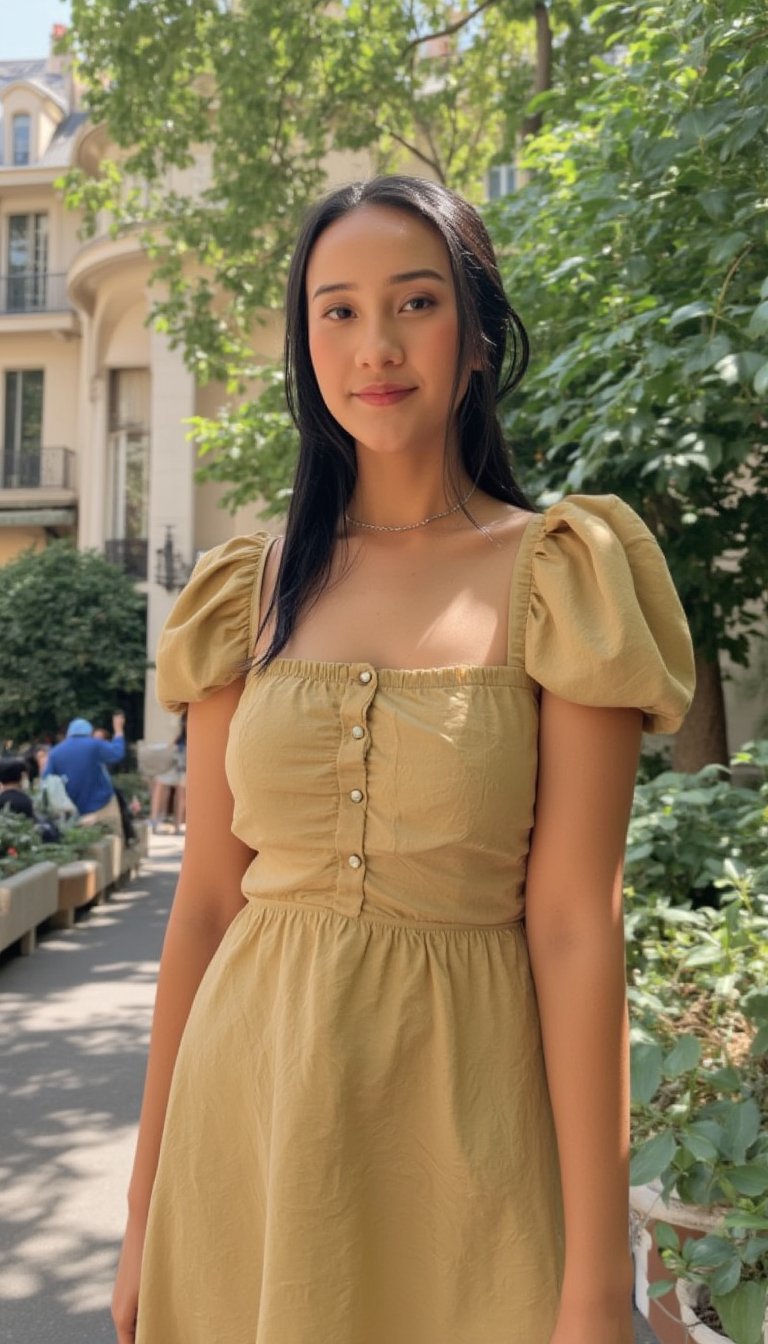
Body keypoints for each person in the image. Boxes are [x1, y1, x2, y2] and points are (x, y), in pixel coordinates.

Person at [114, 176, 696, 1344]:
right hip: (248, 1135)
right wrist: (143, 1211)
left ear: (477, 337)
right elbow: (209, 904)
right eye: (336, 311)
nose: (375, 346)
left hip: (468, 1140)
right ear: (304, 344)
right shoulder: (251, 589)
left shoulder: (559, 572)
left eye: (415, 303)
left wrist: (594, 1281)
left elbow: (578, 924)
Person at [44, 713, 126, 835]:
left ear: (69, 733)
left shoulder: (55, 753)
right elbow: (117, 753)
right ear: (89, 732)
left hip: (74, 809)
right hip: (102, 803)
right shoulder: (94, 744)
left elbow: (46, 780)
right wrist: (118, 731)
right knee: (113, 838)